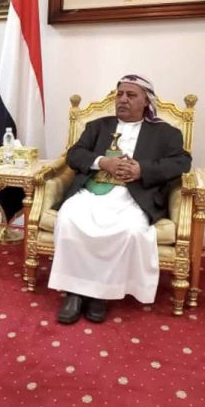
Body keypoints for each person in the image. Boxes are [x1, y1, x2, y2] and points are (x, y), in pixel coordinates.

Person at [48, 75, 192, 324]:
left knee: (129, 230)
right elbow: (74, 155)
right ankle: (74, 292)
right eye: (120, 94)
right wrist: (101, 162)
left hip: (132, 195)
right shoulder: (97, 126)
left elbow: (182, 162)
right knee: (69, 219)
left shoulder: (166, 133)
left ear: (146, 101)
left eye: (131, 95)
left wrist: (142, 170)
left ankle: (100, 295)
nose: (123, 99)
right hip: (92, 191)